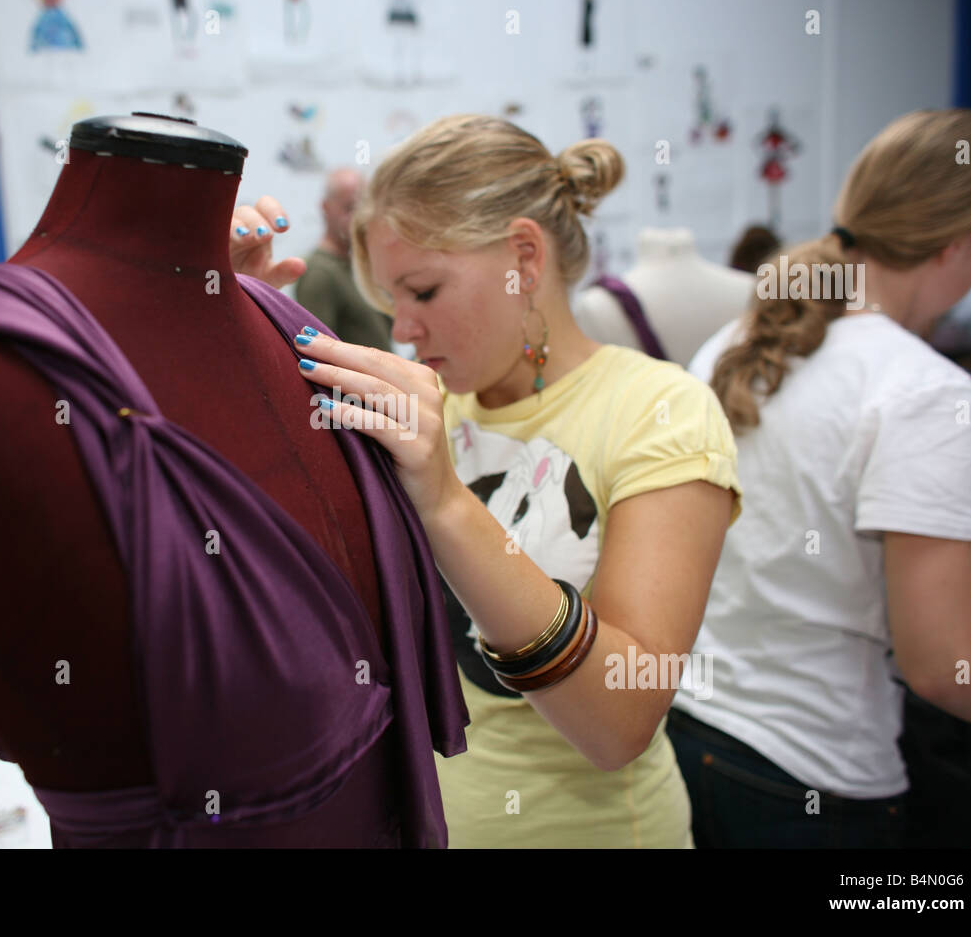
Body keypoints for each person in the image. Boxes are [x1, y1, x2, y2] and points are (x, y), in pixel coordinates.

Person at [231, 113, 742, 847]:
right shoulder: (429, 412)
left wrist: (445, 503)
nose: (404, 330)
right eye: (389, 303)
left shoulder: (660, 410)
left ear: (524, 259)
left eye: (425, 292)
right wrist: (240, 335)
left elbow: (620, 722)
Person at [666, 108, 971, 848]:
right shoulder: (925, 391)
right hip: (814, 779)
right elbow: (944, 666)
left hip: (688, 741)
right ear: (963, 243)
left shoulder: (731, 347)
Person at [293, 167, 394, 350]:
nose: (357, 218)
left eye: (363, 208)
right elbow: (316, 352)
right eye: (349, 208)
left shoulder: (360, 267)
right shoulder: (319, 273)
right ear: (326, 207)